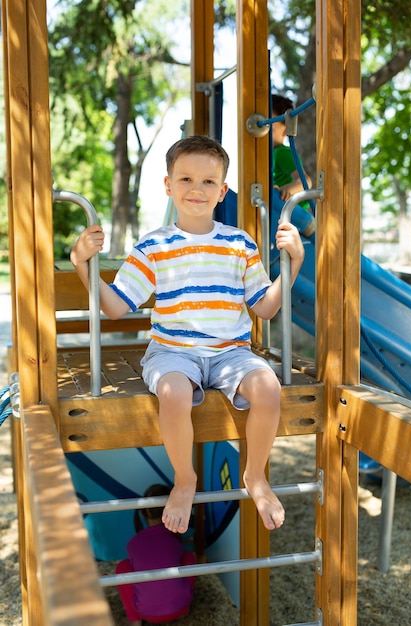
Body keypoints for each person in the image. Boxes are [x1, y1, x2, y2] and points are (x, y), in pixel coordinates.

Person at [70, 134, 305, 536]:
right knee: (174, 392)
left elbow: (265, 306)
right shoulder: (154, 246)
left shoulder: (238, 244)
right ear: (168, 185)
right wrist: (80, 263)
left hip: (231, 353)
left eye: (208, 182)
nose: (197, 189)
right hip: (173, 351)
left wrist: (294, 261)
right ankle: (184, 478)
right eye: (185, 179)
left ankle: (255, 475)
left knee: (268, 385)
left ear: (222, 191)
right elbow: (114, 307)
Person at [115, 484, 196, 625]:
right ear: (173, 510)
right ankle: (185, 610)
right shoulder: (174, 539)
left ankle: (135, 619)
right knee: (189, 557)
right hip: (179, 608)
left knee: (122, 567)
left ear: (143, 513)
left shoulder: (133, 543)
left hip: (145, 613)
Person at [271, 94, 313, 210]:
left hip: (294, 215)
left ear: (285, 132)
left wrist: (286, 190)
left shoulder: (281, 153)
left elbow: (306, 182)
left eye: (270, 129)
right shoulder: (266, 156)